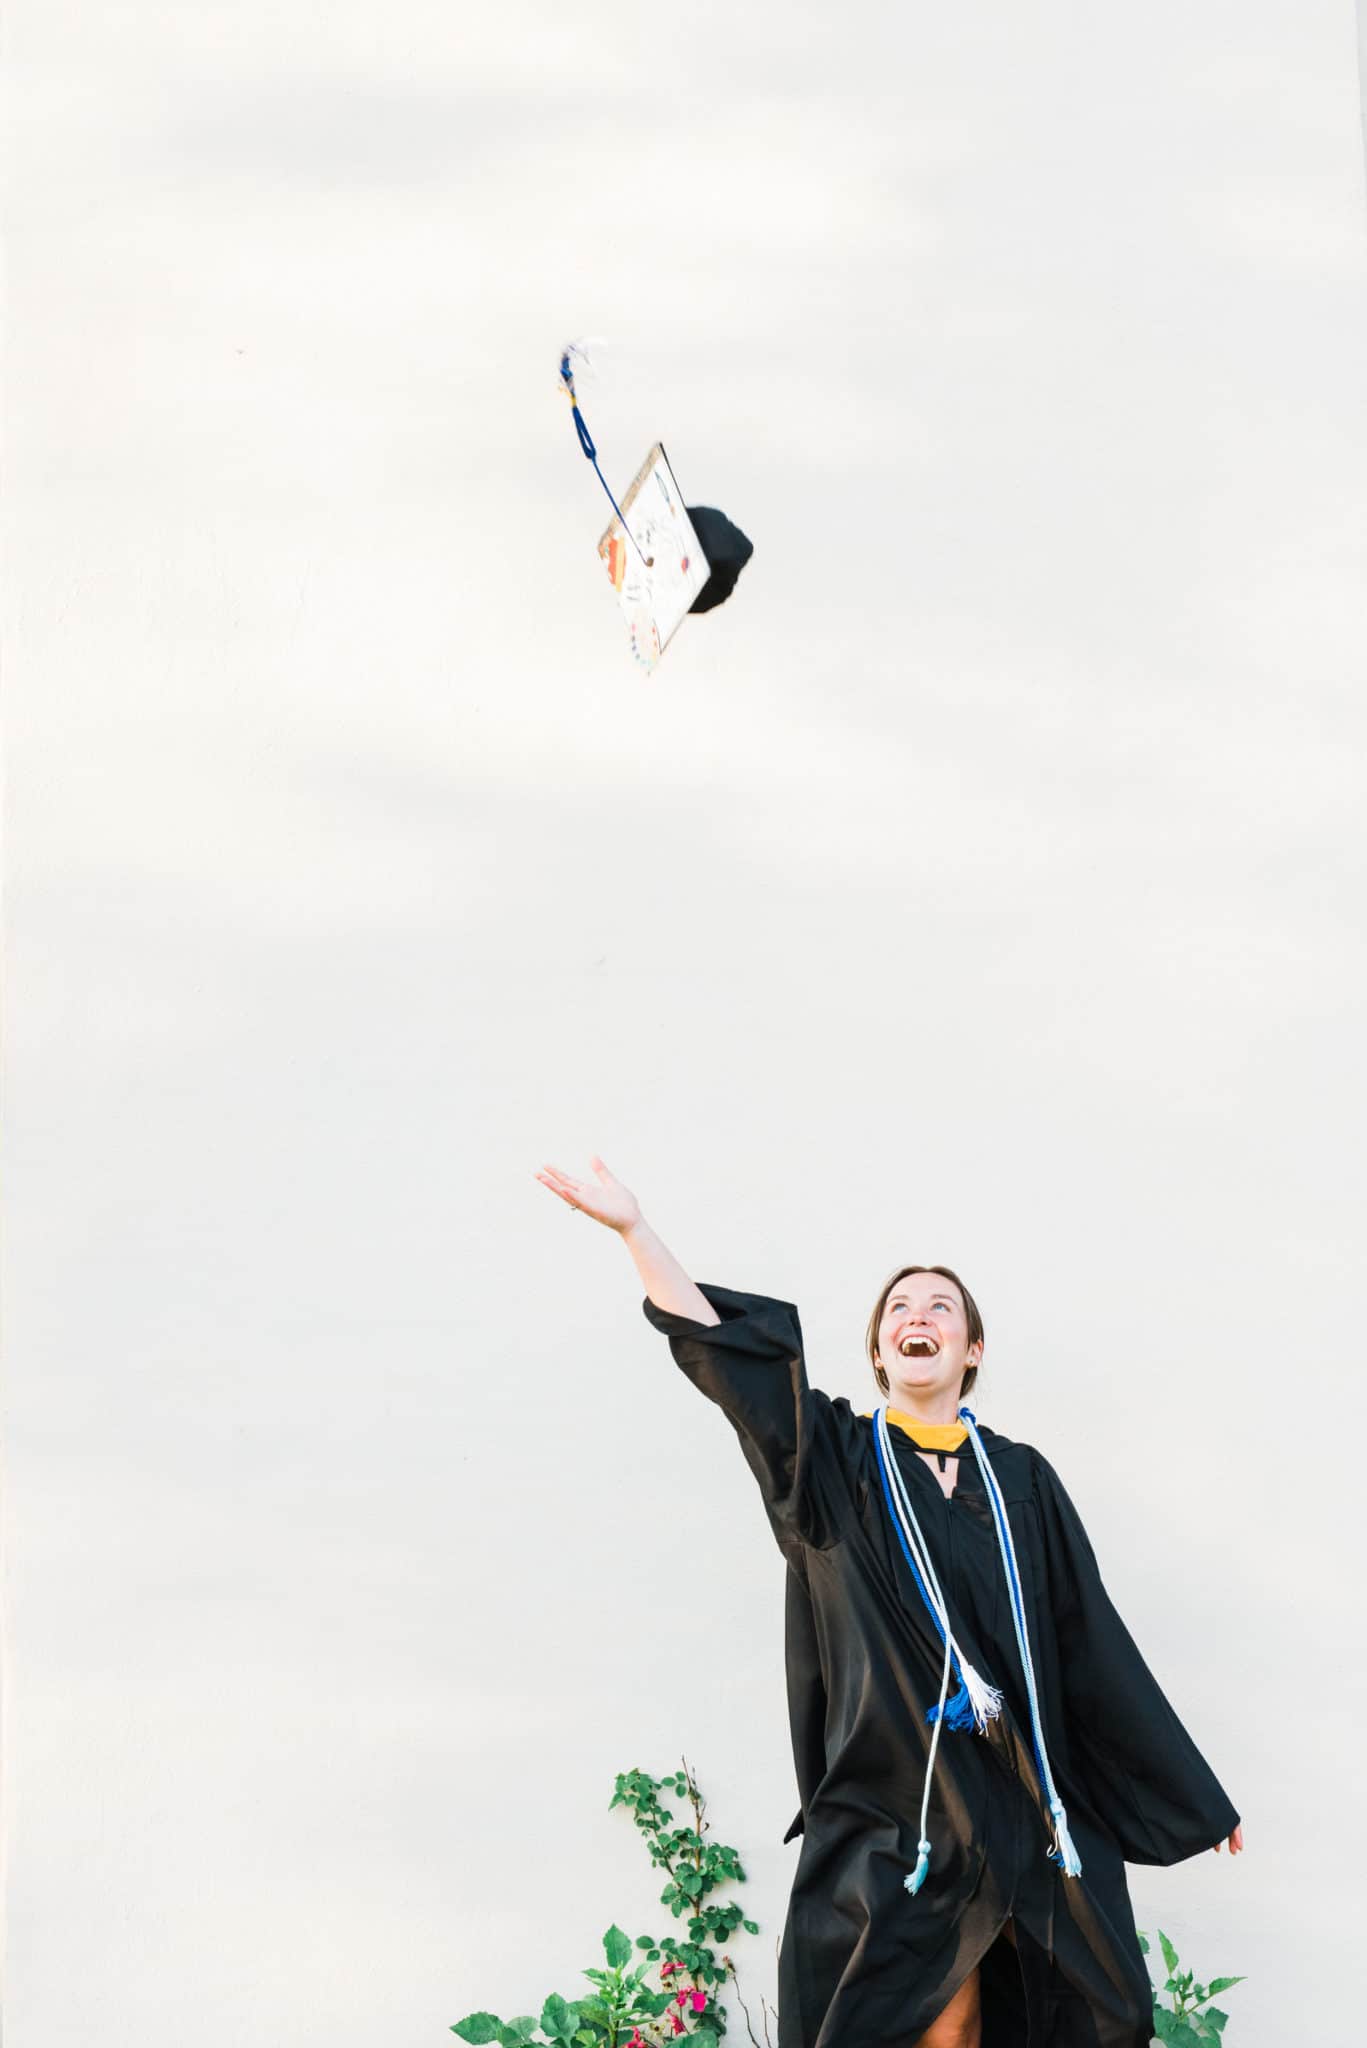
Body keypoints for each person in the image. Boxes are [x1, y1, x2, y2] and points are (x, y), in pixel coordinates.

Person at [534, 1157, 1244, 2048]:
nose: (919, 1318)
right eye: (899, 1310)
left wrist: (1190, 1794)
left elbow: (1087, 1639)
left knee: (1074, 2014)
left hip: (1016, 1804)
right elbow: (735, 1364)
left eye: (940, 1307)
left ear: (970, 1349)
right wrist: (638, 1233)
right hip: (895, 1806)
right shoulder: (832, 1461)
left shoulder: (1022, 1479)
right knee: (915, 2016)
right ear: (878, 1352)